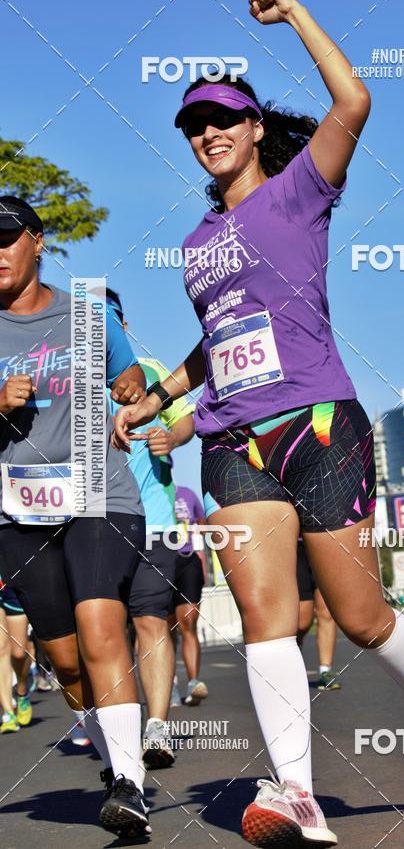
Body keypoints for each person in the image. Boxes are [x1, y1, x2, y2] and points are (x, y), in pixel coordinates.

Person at [114, 0, 404, 848]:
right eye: (194, 127)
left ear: (256, 128)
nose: (208, 134)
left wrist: (297, 15)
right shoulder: (196, 247)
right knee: (267, 616)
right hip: (234, 442)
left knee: (357, 615)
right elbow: (214, 341)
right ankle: (296, 792)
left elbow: (355, 98)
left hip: (319, 426)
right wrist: (161, 398)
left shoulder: (303, 189)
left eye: (222, 120)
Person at [0, 197, 151, 837]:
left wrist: (132, 387)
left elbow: (133, 372)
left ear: (36, 241)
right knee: (64, 661)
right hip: (18, 512)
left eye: (6, 238)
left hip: (99, 494)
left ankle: (128, 783)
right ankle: (113, 746)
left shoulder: (85, 317)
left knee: (99, 622)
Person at [105, 288, 196, 769]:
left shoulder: (154, 372)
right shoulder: (71, 383)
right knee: (102, 632)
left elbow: (188, 421)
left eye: (112, 320)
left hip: (156, 521)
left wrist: (168, 437)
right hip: (94, 526)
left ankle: (156, 728)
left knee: (150, 619)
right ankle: (113, 726)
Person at [169, 483, 208, 706]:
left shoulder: (187, 494)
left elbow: (202, 523)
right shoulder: (147, 492)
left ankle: (194, 683)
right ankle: (171, 685)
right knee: (166, 630)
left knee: (189, 623)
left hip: (188, 560)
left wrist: (198, 539)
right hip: (160, 561)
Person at [296, 539, 342, 691]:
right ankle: (294, 653)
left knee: (327, 611)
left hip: (323, 538)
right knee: (302, 622)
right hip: (295, 545)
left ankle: (325, 671)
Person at [0, 580, 32, 732]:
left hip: (10, 583)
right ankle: (8, 713)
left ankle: (21, 690)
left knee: (18, 653)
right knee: (0, 649)